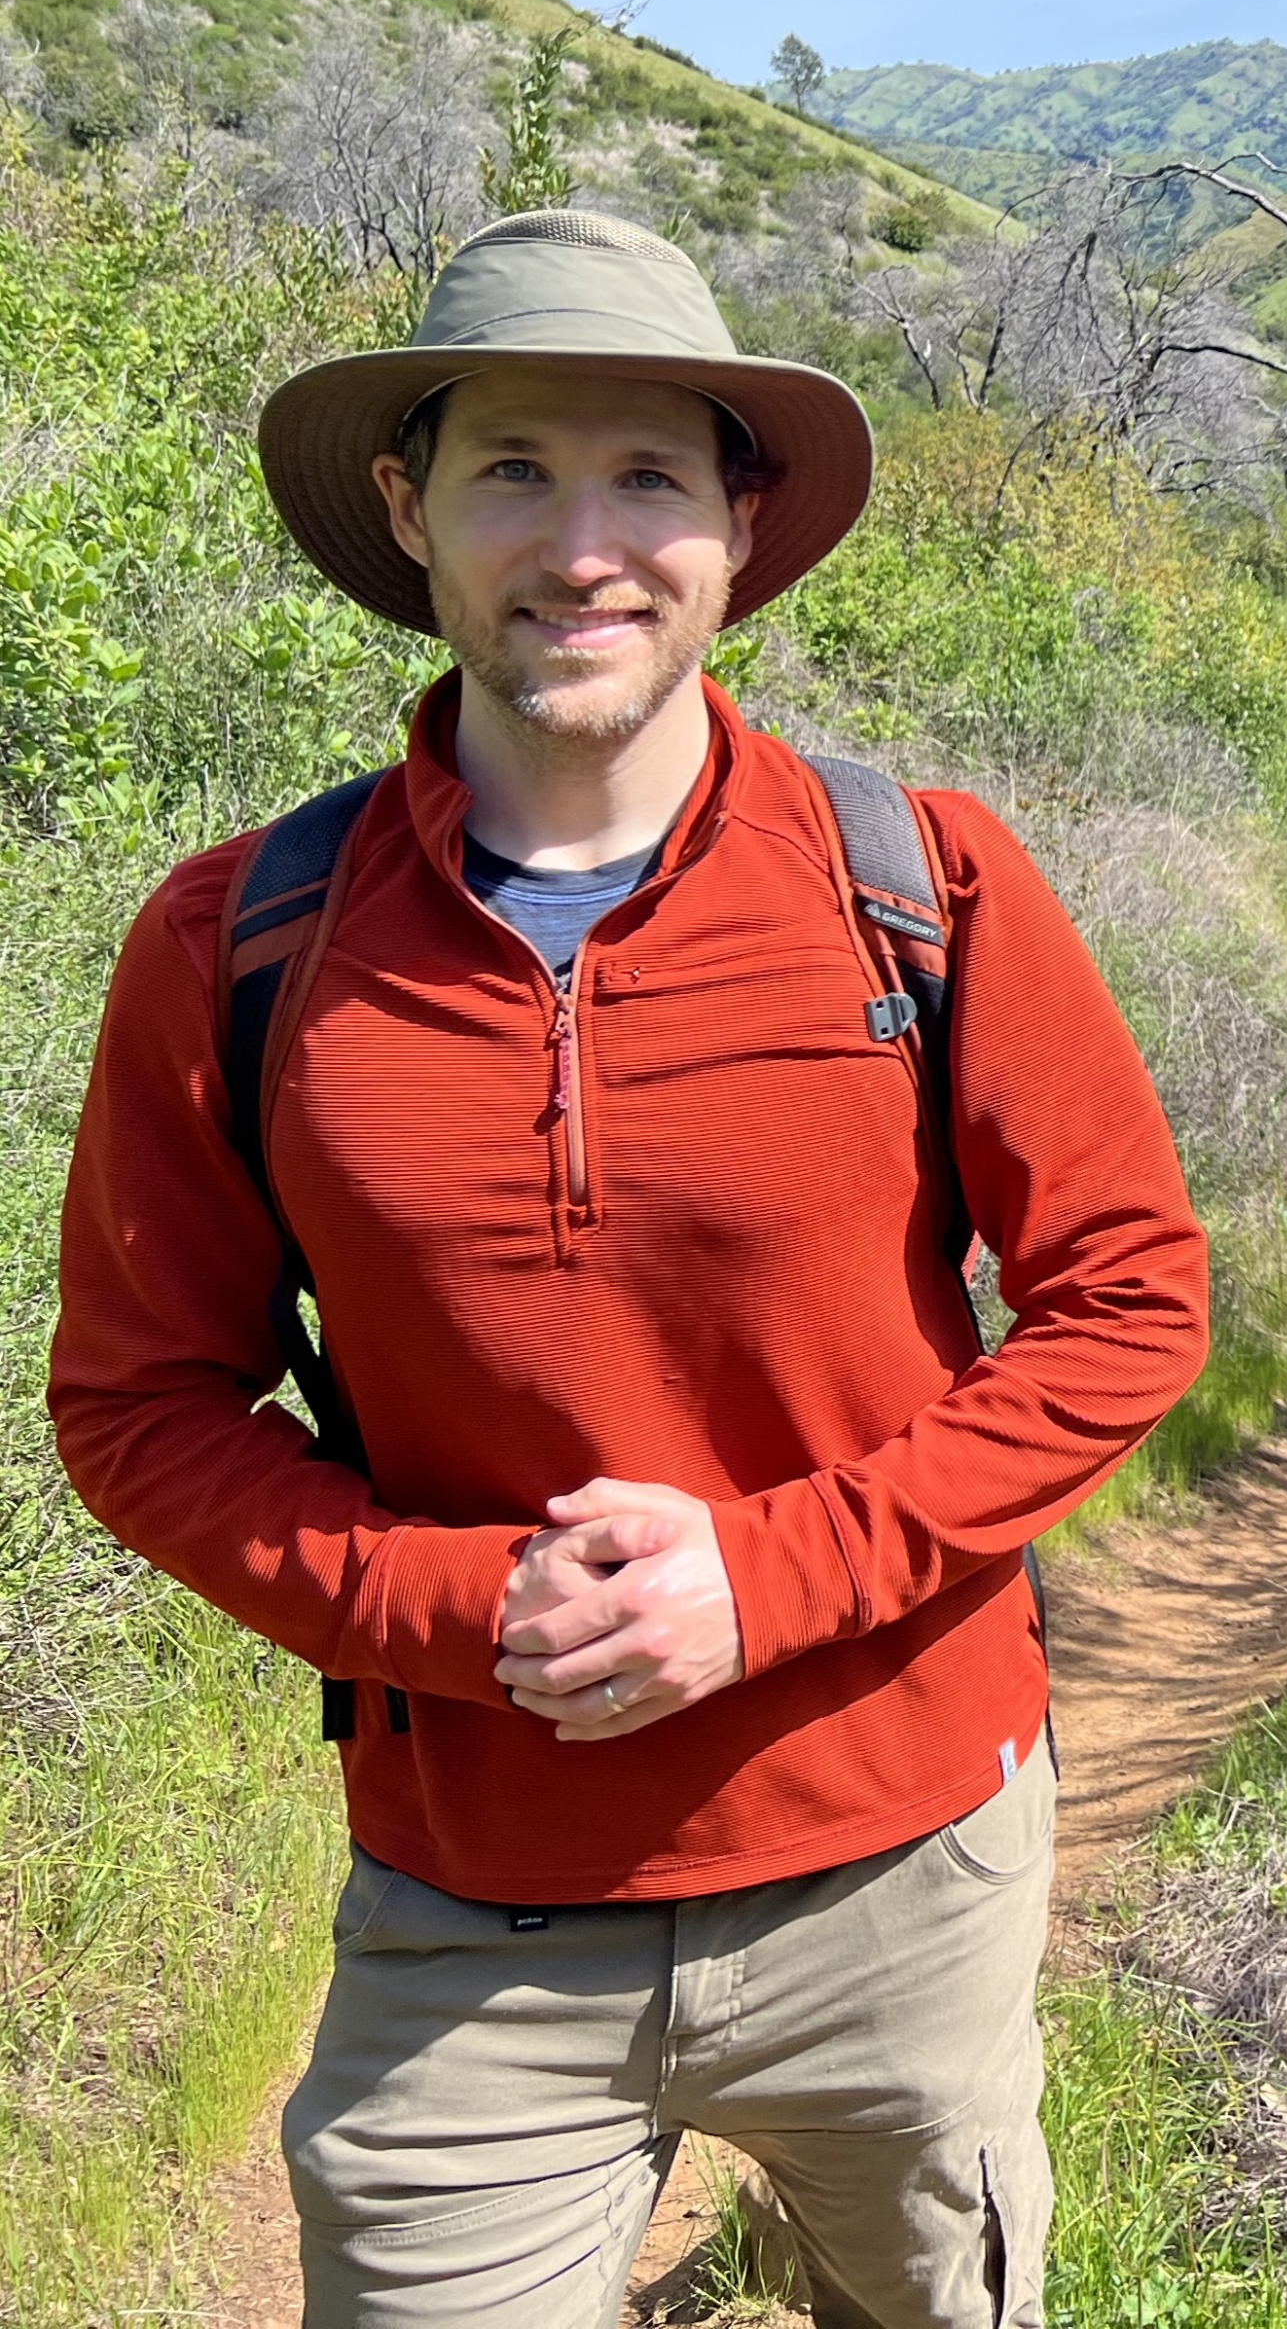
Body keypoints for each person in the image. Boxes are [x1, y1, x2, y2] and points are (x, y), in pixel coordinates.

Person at [48, 209, 1210, 2329]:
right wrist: (461, 1606)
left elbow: (1126, 1298)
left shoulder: (920, 885)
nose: (580, 543)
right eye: (510, 468)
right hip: (472, 1899)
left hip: (906, 1861)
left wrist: (763, 1576)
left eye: (648, 476)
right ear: (407, 509)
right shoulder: (241, 945)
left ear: (737, 526)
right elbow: (137, 1406)